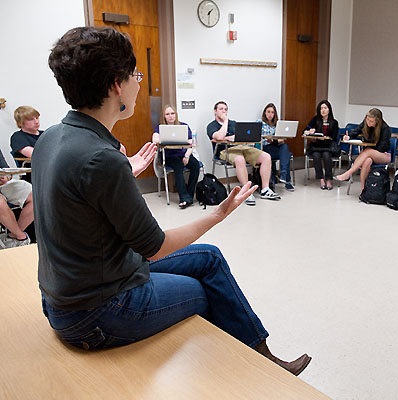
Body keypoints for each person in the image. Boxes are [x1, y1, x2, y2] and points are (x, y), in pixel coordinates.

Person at [34, 26, 310, 376]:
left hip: (69, 295)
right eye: (135, 75)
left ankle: (263, 357)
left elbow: (76, 200)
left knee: (209, 258)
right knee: (203, 290)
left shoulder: (54, 137)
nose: (138, 83)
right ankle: (241, 380)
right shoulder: (101, 159)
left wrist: (125, 174)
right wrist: (218, 214)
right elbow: (155, 247)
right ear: (116, 85)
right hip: (95, 313)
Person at [207, 101, 281, 206]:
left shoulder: (234, 123)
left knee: (266, 157)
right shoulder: (211, 126)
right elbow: (219, 137)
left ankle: (265, 189)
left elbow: (239, 136)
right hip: (225, 150)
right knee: (239, 159)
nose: (224, 111)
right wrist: (225, 121)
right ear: (215, 111)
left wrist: (227, 137)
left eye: (226, 109)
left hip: (241, 147)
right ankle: (246, 191)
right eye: (221, 109)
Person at [152, 104, 201, 208]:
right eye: (167, 114)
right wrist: (167, 139)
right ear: (164, 116)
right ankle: (183, 198)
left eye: (172, 113)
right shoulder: (160, 127)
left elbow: (191, 142)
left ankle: (189, 196)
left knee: (195, 165)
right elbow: (155, 140)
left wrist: (187, 156)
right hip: (168, 156)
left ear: (176, 114)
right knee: (178, 166)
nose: (170, 116)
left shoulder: (184, 126)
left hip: (183, 154)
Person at [334, 108, 391, 191]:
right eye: (367, 119)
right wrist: (348, 136)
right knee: (367, 160)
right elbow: (355, 131)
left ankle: (348, 173)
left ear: (377, 121)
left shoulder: (385, 129)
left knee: (367, 152)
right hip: (370, 154)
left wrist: (369, 148)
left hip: (383, 155)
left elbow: (382, 148)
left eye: (371, 121)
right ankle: (363, 189)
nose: (368, 122)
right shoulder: (365, 123)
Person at [0, 149, 32, 248]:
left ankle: (13, 237)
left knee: (35, 195)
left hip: (2, 185)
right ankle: (21, 237)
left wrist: (6, 177)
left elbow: (6, 170)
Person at [305, 100, 339, 190]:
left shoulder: (334, 122)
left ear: (329, 110)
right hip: (316, 145)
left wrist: (327, 138)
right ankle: (321, 179)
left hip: (328, 146)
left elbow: (334, 137)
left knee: (326, 155)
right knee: (316, 155)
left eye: (325, 108)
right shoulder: (315, 119)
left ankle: (328, 179)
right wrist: (309, 132)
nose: (323, 110)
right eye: (321, 109)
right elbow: (305, 130)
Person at [259, 103, 294, 192]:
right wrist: (273, 139)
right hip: (265, 147)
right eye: (268, 112)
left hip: (275, 146)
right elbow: (259, 137)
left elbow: (281, 139)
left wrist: (274, 140)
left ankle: (283, 174)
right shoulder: (260, 123)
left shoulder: (278, 124)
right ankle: (285, 179)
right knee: (285, 154)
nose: (270, 114)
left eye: (272, 112)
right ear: (265, 113)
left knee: (285, 147)